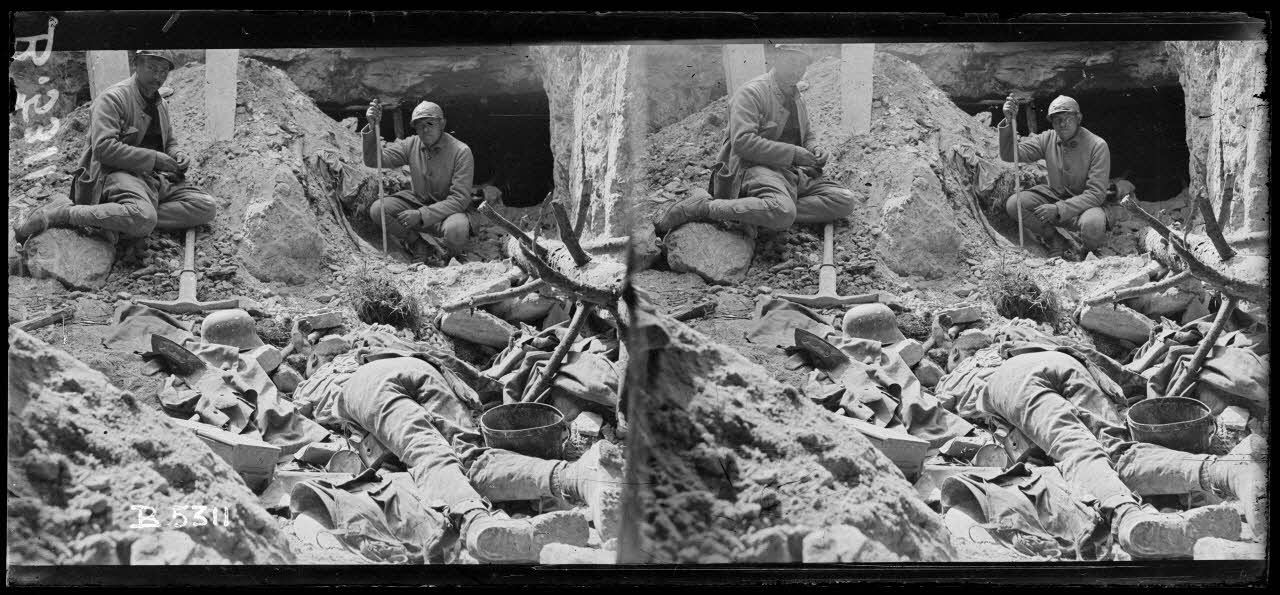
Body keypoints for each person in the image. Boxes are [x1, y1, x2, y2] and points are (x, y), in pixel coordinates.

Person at [936, 349, 1264, 558]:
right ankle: (1228, 472)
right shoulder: (1022, 345)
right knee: (1118, 453)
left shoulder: (959, 376)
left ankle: (1128, 518)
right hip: (1067, 364)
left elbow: (940, 410)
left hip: (1009, 381)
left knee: (1073, 446)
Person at [296, 355, 621, 563]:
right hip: (424, 370)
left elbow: (304, 412)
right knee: (470, 457)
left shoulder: (321, 380)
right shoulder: (383, 351)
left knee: (426, 452)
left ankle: (475, 522)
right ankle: (579, 476)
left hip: (365, 386)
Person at [15, 50, 217, 245]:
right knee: (144, 217)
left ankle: (117, 219)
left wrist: (177, 153)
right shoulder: (113, 98)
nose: (158, 77)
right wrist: (155, 159)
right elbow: (104, 148)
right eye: (152, 68)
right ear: (136, 64)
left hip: (153, 178)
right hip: (116, 174)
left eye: (163, 71)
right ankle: (64, 213)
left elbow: (169, 141)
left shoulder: (161, 104)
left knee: (206, 206)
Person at [655, 45, 855, 235]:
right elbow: (743, 142)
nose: (797, 70)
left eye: (802, 64)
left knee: (844, 200)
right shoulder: (752, 92)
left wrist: (814, 147)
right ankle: (705, 207)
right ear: (776, 59)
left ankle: (759, 211)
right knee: (783, 212)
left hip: (790, 171)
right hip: (755, 168)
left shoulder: (797, 97)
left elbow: (807, 133)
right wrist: (794, 154)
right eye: (791, 62)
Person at [999, 95, 1113, 259]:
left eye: (1068, 118)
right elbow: (1010, 154)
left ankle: (1086, 252)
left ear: (1078, 118)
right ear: (1052, 123)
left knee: (1093, 223)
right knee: (1015, 203)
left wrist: (1059, 209)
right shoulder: (1048, 138)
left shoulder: (1097, 146)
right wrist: (1009, 121)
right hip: (1053, 196)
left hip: (1085, 205)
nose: (1062, 124)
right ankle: (1055, 239)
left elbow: (1096, 194)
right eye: (1057, 119)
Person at [362, 100, 477, 262]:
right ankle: (418, 244)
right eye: (419, 125)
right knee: (378, 209)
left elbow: (460, 199)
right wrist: (372, 126)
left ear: (442, 124)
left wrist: (421, 214)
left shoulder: (461, 151)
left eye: (430, 123)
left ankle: (450, 257)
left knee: (456, 229)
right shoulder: (411, 144)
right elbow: (374, 160)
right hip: (417, 202)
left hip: (449, 212)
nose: (425, 129)